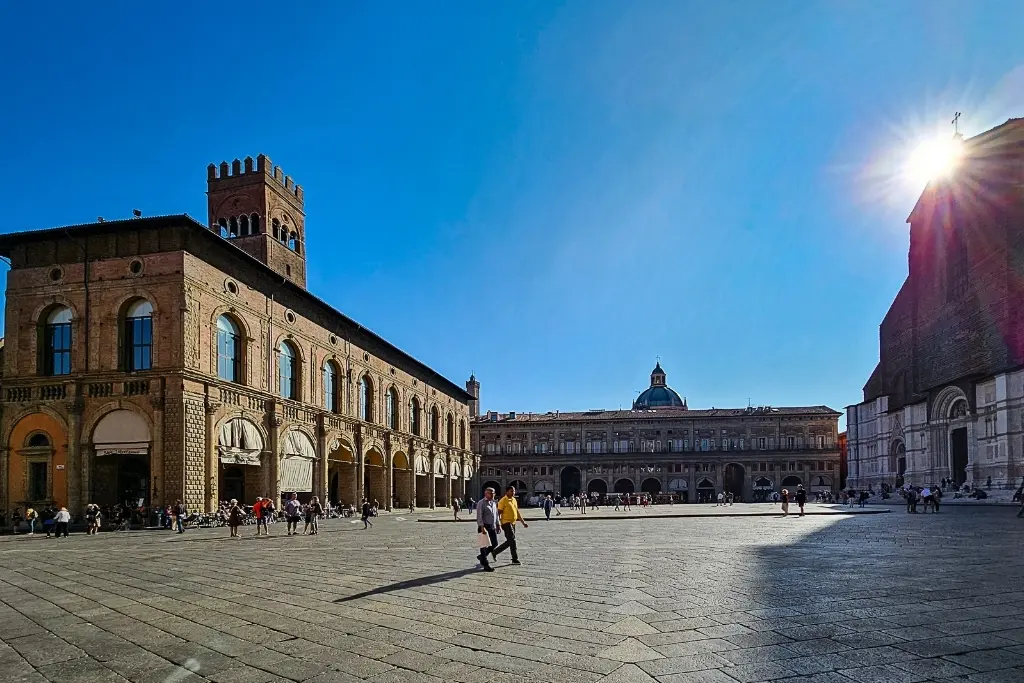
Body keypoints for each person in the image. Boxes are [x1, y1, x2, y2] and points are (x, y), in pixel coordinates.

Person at [493, 485, 528, 565]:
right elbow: (498, 513)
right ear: (507, 492)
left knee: (510, 541)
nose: (513, 492)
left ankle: (494, 552)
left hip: (513, 523)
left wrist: (523, 522)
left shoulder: (514, 500)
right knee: (512, 540)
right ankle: (514, 559)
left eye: (514, 491)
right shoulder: (503, 500)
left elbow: (517, 512)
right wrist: (498, 524)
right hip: (506, 523)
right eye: (511, 491)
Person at [475, 487, 500, 572]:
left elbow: (496, 514)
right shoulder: (481, 503)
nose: (493, 495)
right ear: (486, 494)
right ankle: (485, 564)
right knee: (484, 545)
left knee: (495, 543)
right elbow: (479, 516)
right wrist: (482, 527)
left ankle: (482, 556)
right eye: (491, 493)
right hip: (484, 527)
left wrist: (498, 524)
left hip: (492, 526)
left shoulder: (493, 503)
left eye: (494, 493)